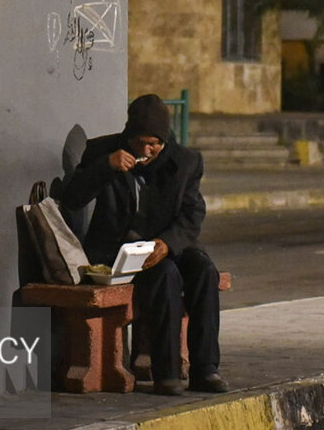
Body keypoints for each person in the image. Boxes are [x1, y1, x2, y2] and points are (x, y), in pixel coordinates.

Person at [60, 94, 228, 396]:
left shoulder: (186, 161)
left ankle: (206, 369)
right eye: (140, 143)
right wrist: (105, 168)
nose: (147, 151)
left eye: (154, 144)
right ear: (128, 136)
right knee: (165, 276)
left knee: (204, 271)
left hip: (167, 241)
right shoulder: (102, 151)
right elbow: (72, 198)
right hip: (120, 247)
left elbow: (193, 213)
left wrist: (167, 243)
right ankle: (167, 373)